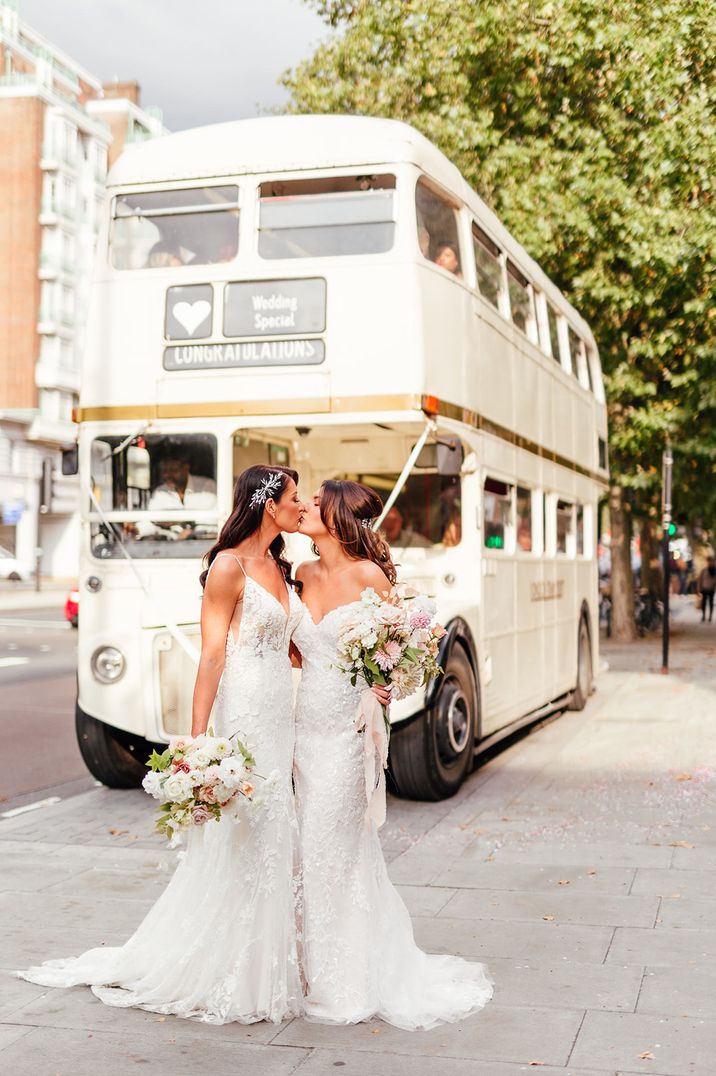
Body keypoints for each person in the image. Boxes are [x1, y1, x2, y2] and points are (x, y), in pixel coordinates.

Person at [18, 465, 308, 1024]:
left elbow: (291, 647)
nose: (301, 507)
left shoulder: (279, 564)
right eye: (295, 498)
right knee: (246, 828)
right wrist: (197, 742)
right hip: (245, 707)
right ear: (268, 505)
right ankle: (231, 970)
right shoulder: (228, 567)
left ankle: (269, 965)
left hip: (280, 710)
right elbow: (213, 656)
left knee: (274, 830)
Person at [291, 479, 493, 1028]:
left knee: (329, 847)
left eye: (313, 503)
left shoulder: (370, 578)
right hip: (302, 731)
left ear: (337, 516)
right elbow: (294, 650)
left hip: (345, 734)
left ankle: (344, 977)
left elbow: (401, 656)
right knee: (305, 851)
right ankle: (309, 968)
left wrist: (383, 686)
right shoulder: (301, 575)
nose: (304, 508)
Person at [698, 555, 716, 622]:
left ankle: (710, 617)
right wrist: (699, 588)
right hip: (704, 588)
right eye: (710, 561)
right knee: (704, 603)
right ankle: (703, 616)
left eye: (712, 561)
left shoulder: (714, 571)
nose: (711, 563)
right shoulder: (704, 570)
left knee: (711, 603)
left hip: (711, 589)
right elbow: (700, 580)